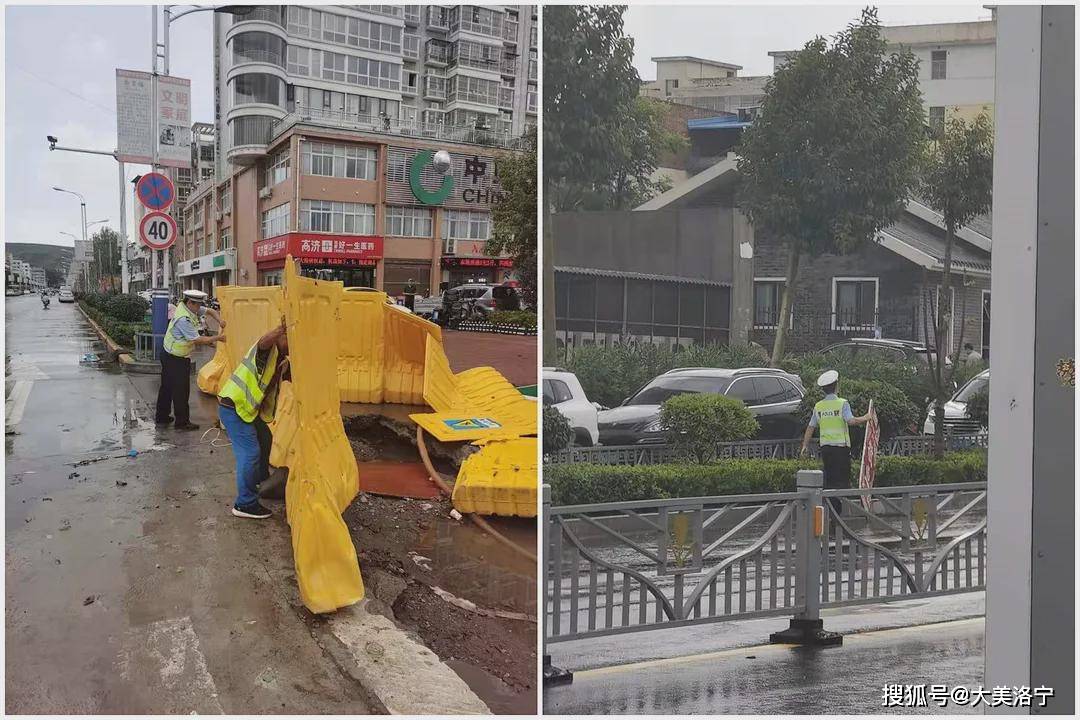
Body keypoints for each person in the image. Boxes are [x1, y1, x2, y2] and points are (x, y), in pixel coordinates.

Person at [217, 321, 290, 519]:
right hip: (234, 407)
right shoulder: (268, 350)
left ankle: (260, 481)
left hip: (247, 411)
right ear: (282, 337)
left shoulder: (283, 358)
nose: (292, 344)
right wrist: (280, 330)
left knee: (265, 438)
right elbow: (263, 342)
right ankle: (245, 504)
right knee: (250, 454)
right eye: (289, 339)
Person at [798, 370, 876, 513]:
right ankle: (839, 517)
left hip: (826, 449)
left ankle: (832, 514)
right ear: (836, 386)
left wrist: (805, 445)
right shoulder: (842, 403)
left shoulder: (818, 406)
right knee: (842, 483)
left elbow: (810, 427)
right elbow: (851, 421)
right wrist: (866, 417)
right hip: (841, 449)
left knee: (830, 481)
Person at [156, 289, 225, 430]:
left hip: (169, 353)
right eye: (197, 305)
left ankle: (162, 417)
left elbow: (210, 311)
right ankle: (182, 423)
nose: (199, 308)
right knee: (181, 390)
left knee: (167, 387)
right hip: (176, 358)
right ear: (190, 302)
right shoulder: (184, 319)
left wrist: (220, 321)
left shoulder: (188, 308)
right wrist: (218, 338)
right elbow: (198, 339)